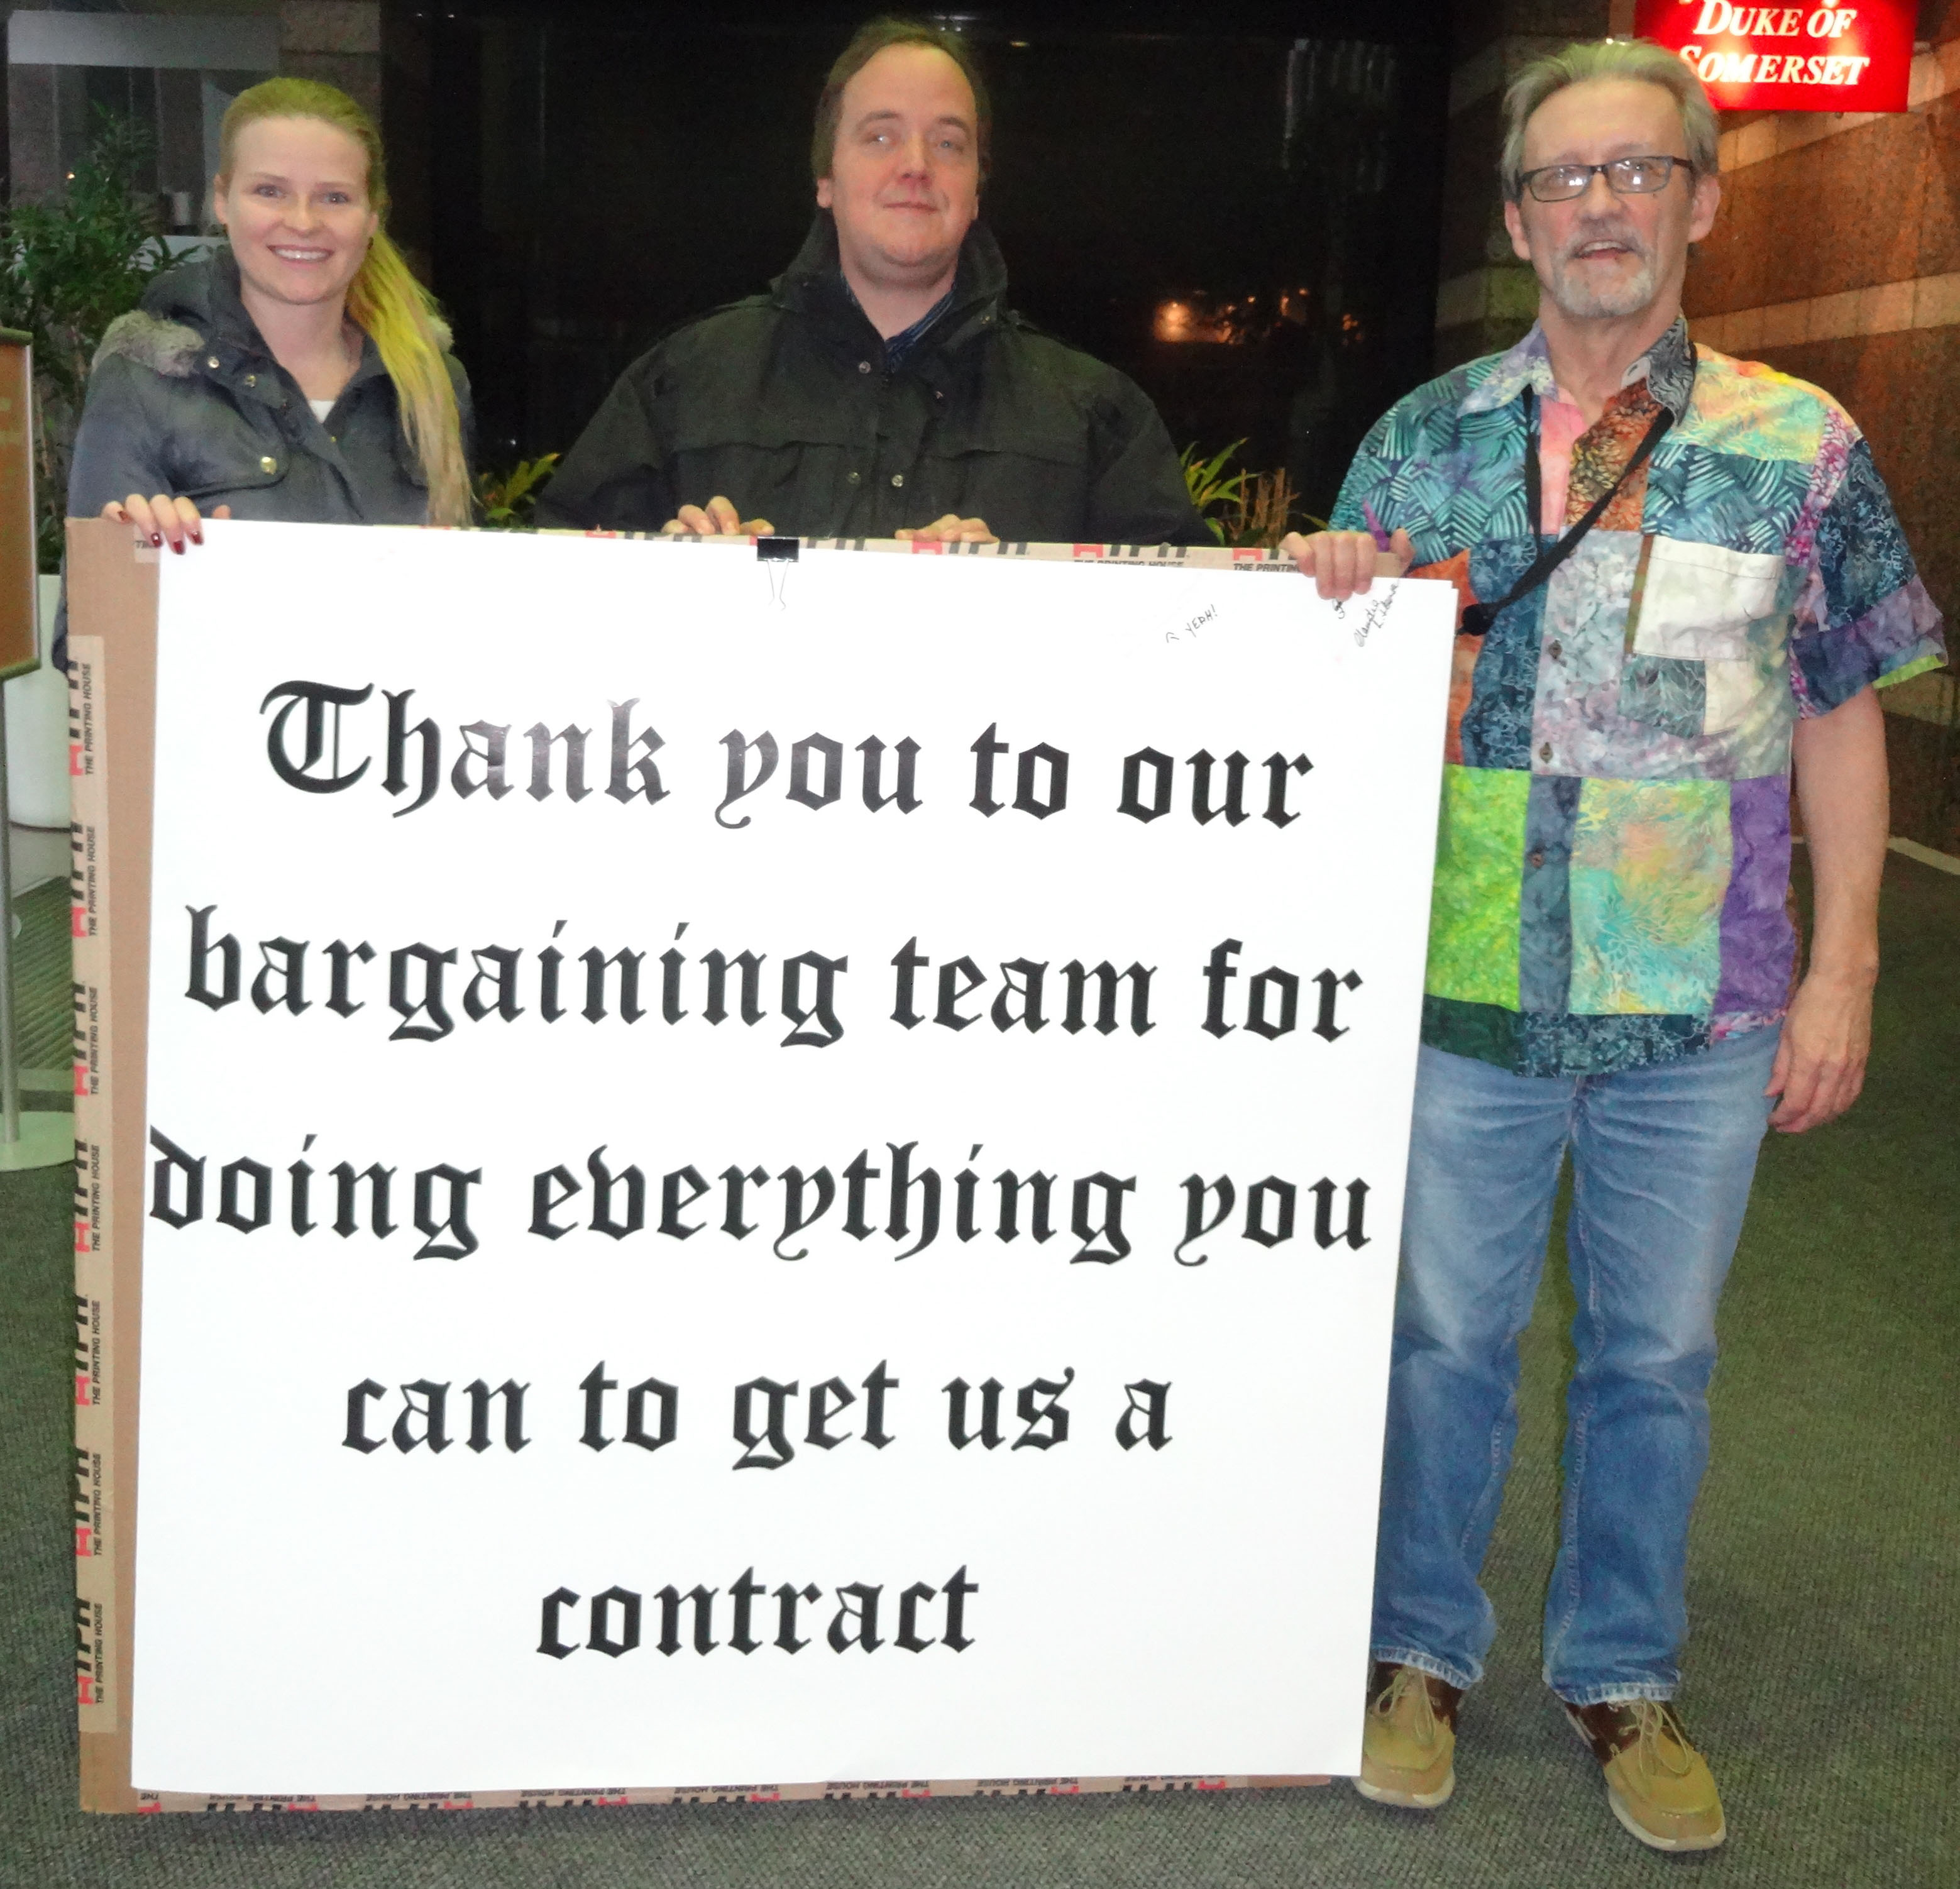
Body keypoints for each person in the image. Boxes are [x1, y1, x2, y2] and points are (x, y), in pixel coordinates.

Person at [1285, 38, 1944, 1853]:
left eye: (1633, 172)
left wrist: (1843, 969)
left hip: (1701, 1004)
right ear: (1514, 219)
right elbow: (1333, 700)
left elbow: (1837, 710)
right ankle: (1417, 1648)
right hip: (1463, 987)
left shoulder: (1795, 447)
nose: (1598, 206)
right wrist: (1332, 586)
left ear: (1698, 199)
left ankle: (1618, 1667)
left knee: (1653, 1354)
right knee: (1442, 1335)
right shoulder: (1421, 441)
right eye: (1563, 179)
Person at [534, 16, 1202, 547]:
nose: (915, 165)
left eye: (947, 143)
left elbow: (1194, 634)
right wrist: (666, 582)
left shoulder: (1095, 417)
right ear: (825, 179)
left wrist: (1303, 587)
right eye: (880, 137)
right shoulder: (679, 384)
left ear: (975, 191)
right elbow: (550, 599)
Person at [70, 76, 473, 558]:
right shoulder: (142, 383)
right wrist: (151, 569)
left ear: (373, 218)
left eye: (334, 197)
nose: (303, 222)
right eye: (269, 191)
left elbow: (466, 609)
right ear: (222, 200)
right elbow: (91, 628)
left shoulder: (432, 383)